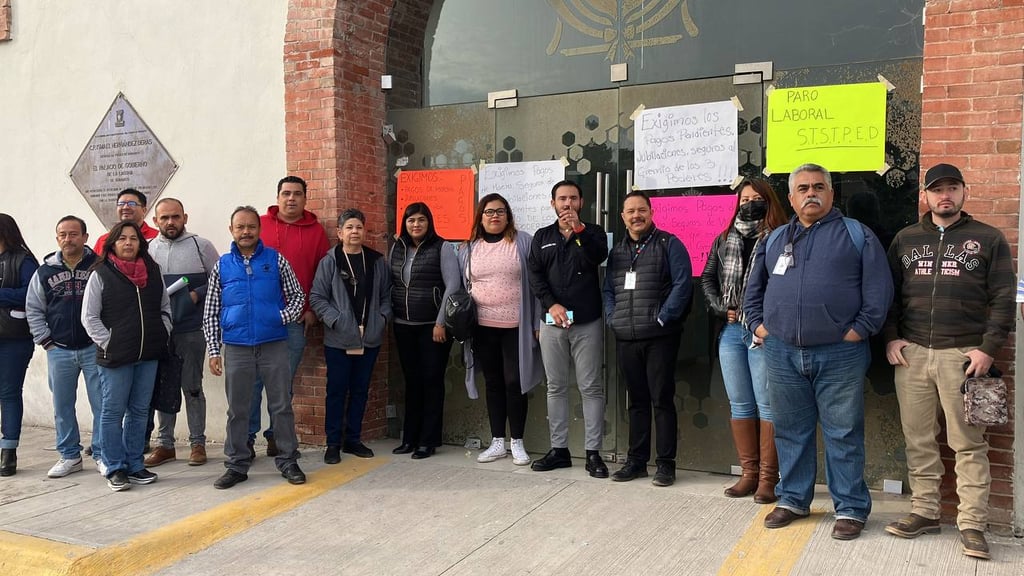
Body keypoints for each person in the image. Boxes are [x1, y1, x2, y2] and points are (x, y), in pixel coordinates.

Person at [743, 163, 892, 540]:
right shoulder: (774, 240)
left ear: (831, 194)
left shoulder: (857, 235)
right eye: (803, 188)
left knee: (843, 431)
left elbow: (879, 291)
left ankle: (851, 508)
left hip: (839, 354)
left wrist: (860, 331)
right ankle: (793, 498)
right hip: (781, 353)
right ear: (791, 198)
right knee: (791, 430)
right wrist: (760, 326)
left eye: (819, 187)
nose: (812, 193)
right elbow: (753, 290)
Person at [883, 163, 1015, 560]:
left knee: (968, 443)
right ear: (925, 195)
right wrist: (891, 339)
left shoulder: (988, 239)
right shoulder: (905, 240)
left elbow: (1003, 298)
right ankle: (924, 511)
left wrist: (987, 348)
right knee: (919, 439)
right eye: (937, 189)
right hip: (914, 355)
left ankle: (972, 524)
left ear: (964, 193)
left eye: (952, 188)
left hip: (964, 356)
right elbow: (887, 294)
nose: (945, 196)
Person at [203, 206, 306, 489]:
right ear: (232, 230)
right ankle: (237, 464)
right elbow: (211, 311)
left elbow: (298, 295)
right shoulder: (222, 265)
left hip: (273, 344)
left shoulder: (275, 260)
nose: (246, 232)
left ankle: (288, 460)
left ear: (259, 230)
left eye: (251, 226)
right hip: (236, 347)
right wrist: (214, 350)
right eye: (240, 227)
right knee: (238, 409)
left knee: (281, 405)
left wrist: (280, 317)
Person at [700, 179, 786, 501]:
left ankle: (768, 478)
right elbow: (708, 278)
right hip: (733, 332)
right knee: (740, 403)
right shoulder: (725, 238)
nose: (749, 203)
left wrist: (767, 321)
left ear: (769, 201)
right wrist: (722, 309)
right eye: (744, 198)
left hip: (764, 332)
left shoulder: (782, 237)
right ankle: (748, 473)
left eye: (755, 198)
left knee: (767, 405)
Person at [603, 191, 692, 487]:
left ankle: (666, 465)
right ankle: (637, 461)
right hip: (626, 336)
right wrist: (612, 318)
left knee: (662, 400)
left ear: (651, 212)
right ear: (623, 216)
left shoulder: (669, 244)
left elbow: (683, 285)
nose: (636, 215)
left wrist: (663, 317)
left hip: (659, 337)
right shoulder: (617, 252)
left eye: (641, 210)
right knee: (636, 402)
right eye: (630, 211)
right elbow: (608, 291)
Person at [527, 181, 609, 477]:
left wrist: (579, 231)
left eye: (573, 198)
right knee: (555, 386)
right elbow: (534, 275)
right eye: (562, 199)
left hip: (586, 321)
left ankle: (593, 453)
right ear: (553, 204)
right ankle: (559, 450)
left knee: (590, 387)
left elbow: (597, 257)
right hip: (552, 322)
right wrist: (551, 305)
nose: (567, 204)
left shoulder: (594, 232)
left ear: (581, 202)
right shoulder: (542, 236)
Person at [82, 221, 172, 491]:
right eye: (122, 239)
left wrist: (162, 332)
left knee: (140, 411)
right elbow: (89, 317)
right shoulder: (101, 273)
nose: (129, 243)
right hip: (116, 358)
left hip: (148, 354)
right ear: (113, 243)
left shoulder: (153, 271)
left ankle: (134, 464)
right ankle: (113, 466)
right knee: (112, 412)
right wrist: (110, 342)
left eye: (134, 238)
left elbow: (164, 306)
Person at [250, 176, 330, 458]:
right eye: (286, 193)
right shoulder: (259, 225)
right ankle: (247, 438)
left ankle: (277, 437)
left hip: (296, 319)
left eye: (297, 194)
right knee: (253, 382)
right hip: (259, 320)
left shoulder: (316, 231)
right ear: (278, 197)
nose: (291, 199)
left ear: (305, 198)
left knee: (283, 382)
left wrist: (311, 309)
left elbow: (322, 275)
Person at [464, 194, 543, 467]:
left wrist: (536, 323)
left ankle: (517, 442)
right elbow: (465, 286)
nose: (494, 216)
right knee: (494, 382)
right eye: (489, 212)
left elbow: (536, 284)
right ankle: (497, 441)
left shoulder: (523, 241)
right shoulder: (470, 246)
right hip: (482, 326)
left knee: (514, 382)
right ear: (481, 217)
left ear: (508, 215)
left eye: (500, 211)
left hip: (516, 328)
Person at [310, 208, 392, 464]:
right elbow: (317, 297)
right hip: (338, 340)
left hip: (369, 338)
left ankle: (353, 439)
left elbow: (387, 296)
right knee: (336, 391)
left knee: (360, 391)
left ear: (364, 231)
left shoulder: (377, 261)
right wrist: (336, 320)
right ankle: (333, 443)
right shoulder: (330, 261)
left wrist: (382, 320)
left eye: (358, 227)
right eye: (349, 228)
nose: (354, 232)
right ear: (339, 233)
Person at [144, 198, 220, 467]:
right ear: (155, 221)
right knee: (165, 387)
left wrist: (196, 295)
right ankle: (165, 445)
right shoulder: (148, 249)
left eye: (175, 217)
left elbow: (220, 281)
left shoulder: (202, 247)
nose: (170, 222)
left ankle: (197, 443)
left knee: (192, 386)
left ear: (184, 218)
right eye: (164, 218)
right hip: (161, 333)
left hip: (192, 330)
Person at [26, 216, 103, 478]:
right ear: (57, 238)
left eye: (73, 234)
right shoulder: (44, 271)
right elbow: (34, 309)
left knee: (102, 404)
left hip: (94, 348)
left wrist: (104, 339)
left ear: (85, 237)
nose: (68, 239)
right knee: (62, 406)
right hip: (58, 349)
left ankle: (103, 454)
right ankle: (70, 456)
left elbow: (112, 305)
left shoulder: (100, 266)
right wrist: (45, 341)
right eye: (63, 235)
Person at [388, 202, 459, 459]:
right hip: (403, 326)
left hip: (432, 327)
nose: (416, 225)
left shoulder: (443, 247)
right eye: (411, 220)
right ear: (404, 224)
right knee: (412, 383)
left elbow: (452, 287)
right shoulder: (398, 248)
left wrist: (441, 322)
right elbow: (390, 282)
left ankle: (428, 441)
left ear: (429, 222)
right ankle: (409, 438)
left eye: (421, 220)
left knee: (431, 382)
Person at [0, 214, 39, 477]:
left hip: (14, 337)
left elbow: (31, 293)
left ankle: (8, 451)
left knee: (9, 393)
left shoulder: (24, 260)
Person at [93, 188, 159, 253]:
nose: (125, 207)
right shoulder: (104, 240)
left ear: (144, 210)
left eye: (131, 203)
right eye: (121, 204)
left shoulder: (157, 237)